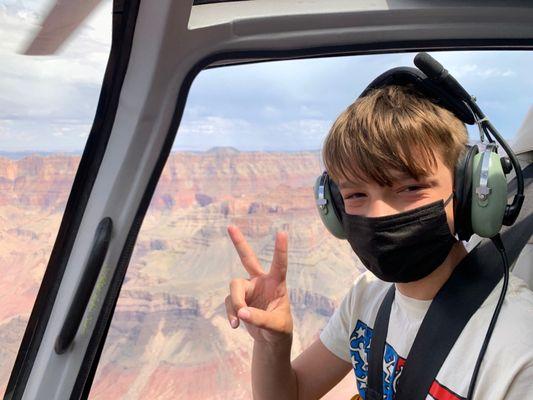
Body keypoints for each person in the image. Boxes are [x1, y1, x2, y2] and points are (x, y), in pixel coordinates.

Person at [225, 84, 533, 399]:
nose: (378, 214)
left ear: (467, 193)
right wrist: (271, 345)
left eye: (410, 188)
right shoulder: (366, 297)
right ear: (335, 208)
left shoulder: (518, 350)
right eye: (356, 194)